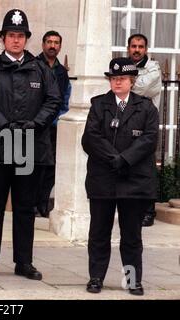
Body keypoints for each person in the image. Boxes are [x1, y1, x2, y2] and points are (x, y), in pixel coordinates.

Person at [0, 9, 61, 281]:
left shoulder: (41, 69)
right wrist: (4, 125)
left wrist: (35, 124)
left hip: (28, 144)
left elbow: (53, 101)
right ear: (2, 38)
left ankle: (24, 261)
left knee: (24, 206)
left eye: (20, 36)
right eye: (11, 35)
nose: (16, 40)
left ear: (26, 39)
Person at [82, 57, 159, 296]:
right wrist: (113, 158)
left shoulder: (146, 108)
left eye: (122, 79)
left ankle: (132, 280)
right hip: (103, 178)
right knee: (99, 234)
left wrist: (124, 159)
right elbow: (90, 138)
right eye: (113, 78)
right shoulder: (98, 105)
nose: (117, 82)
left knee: (131, 236)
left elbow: (149, 140)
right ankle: (96, 278)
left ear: (132, 81)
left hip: (133, 181)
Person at [35, 30, 71, 217]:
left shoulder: (62, 72)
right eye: (49, 41)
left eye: (56, 42)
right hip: (37, 126)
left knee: (51, 167)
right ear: (43, 44)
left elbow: (65, 99)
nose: (52, 45)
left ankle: (42, 203)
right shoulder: (33, 65)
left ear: (60, 46)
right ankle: (32, 204)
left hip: (55, 127)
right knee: (35, 166)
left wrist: (59, 120)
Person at [127, 33, 162, 227]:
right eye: (133, 46)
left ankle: (149, 211)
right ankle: (133, 209)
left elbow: (142, 88)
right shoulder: (126, 64)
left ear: (146, 49)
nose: (137, 50)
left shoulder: (153, 68)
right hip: (128, 123)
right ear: (128, 48)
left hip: (147, 126)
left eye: (140, 46)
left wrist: (127, 80)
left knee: (146, 169)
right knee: (130, 167)